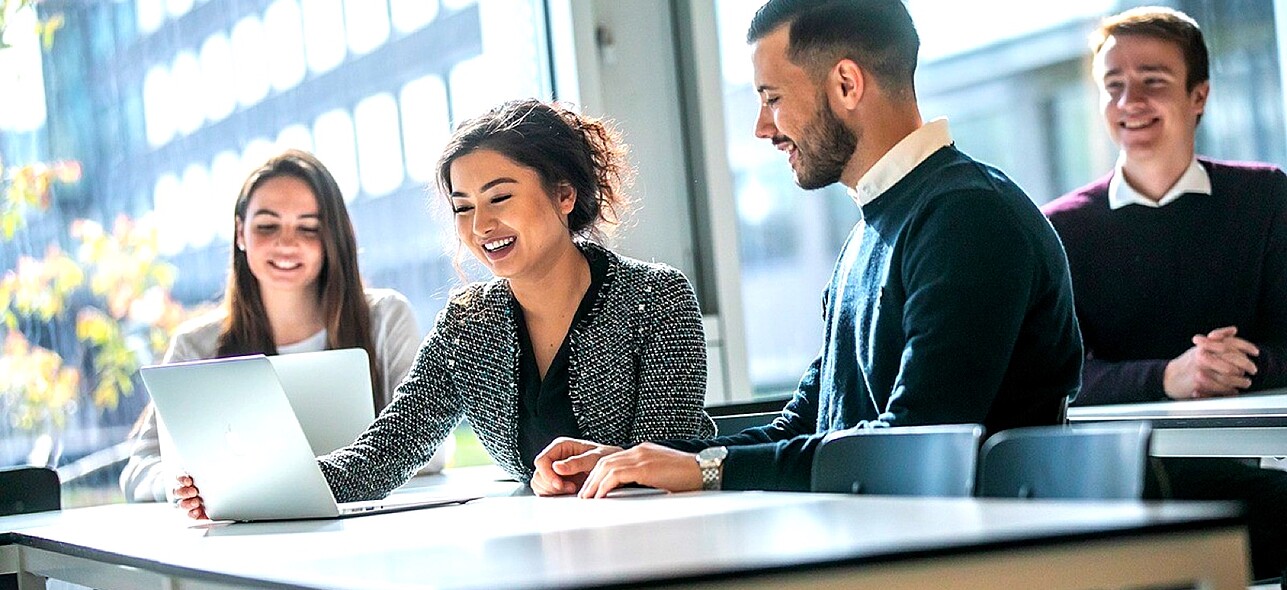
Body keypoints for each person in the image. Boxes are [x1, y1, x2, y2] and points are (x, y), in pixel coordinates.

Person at [531, 0, 1082, 498]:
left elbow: (916, 444)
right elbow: (806, 423)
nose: (761, 127)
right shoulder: (875, 228)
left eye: (772, 98)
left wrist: (706, 474)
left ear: (846, 84)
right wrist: (654, 462)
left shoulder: (969, 219)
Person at [174, 99, 715, 518]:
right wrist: (248, 489)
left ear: (564, 194)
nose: (481, 227)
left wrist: (593, 468)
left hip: (650, 548)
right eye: (463, 208)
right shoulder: (469, 320)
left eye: (500, 197)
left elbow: (659, 462)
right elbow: (381, 455)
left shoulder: (655, 299)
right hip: (540, 550)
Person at [1042, 7, 1287, 580]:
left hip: (1257, 466)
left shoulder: (1267, 198)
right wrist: (1168, 378)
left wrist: (1233, 367)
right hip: (1120, 481)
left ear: (1198, 95)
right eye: (1114, 86)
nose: (1130, 102)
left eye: (1153, 82)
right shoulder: (1060, 227)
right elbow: (1060, 376)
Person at [119, 149, 448, 503]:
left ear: (332, 238)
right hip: (243, 537)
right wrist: (178, 484)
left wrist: (313, 479)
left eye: (308, 227)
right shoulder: (196, 346)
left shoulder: (385, 318)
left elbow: (432, 450)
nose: (286, 243)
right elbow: (139, 468)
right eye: (267, 226)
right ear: (240, 233)